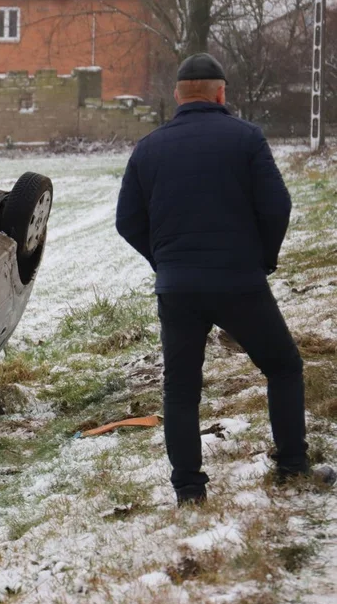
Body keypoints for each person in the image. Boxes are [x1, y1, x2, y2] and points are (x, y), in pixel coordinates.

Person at [115, 53, 335, 506]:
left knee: (180, 390)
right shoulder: (246, 138)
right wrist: (262, 260)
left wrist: (165, 261)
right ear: (221, 93)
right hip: (240, 281)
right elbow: (277, 206)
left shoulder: (149, 147)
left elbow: (127, 221)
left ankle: (190, 491)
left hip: (178, 288)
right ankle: (293, 466)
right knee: (283, 368)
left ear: (177, 96)